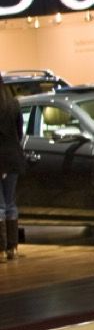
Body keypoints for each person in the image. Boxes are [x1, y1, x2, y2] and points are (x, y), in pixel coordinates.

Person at [0, 80, 24, 261]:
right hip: (13, 157)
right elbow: (19, 132)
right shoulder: (14, 103)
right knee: (10, 204)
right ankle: (13, 248)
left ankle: (0, 249)